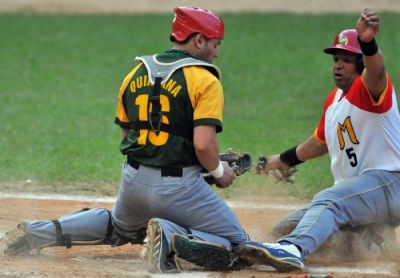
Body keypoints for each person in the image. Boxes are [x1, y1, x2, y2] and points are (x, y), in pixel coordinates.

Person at [0, 6, 249, 273]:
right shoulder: (205, 80)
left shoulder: (135, 74)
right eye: (215, 43)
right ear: (199, 40)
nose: (217, 51)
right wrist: (217, 171)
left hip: (133, 183)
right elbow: (203, 145)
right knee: (239, 246)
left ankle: (38, 232)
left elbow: (130, 135)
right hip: (178, 189)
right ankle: (168, 235)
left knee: (120, 228)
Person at [236, 8, 400, 272]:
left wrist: (368, 43)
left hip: (391, 183)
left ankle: (293, 250)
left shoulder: (370, 91)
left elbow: (377, 72)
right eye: (336, 58)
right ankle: (370, 241)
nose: (338, 65)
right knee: (286, 227)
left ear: (360, 64)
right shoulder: (334, 100)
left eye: (346, 59)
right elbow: (319, 142)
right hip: (363, 197)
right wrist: (281, 160)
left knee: (328, 200)